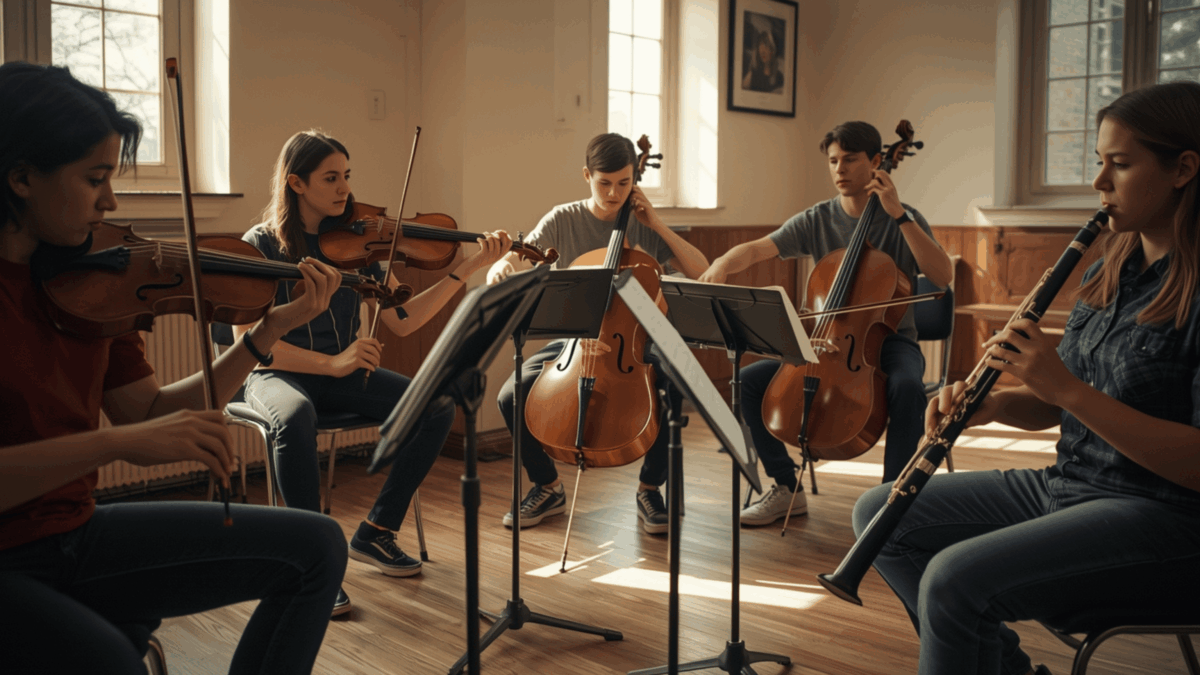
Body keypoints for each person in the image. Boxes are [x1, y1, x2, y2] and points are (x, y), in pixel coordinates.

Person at [0, 62, 348, 674]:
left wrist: (267, 331)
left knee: (315, 545)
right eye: (94, 179)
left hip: (73, 532)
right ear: (22, 177)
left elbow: (154, 415)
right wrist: (116, 441)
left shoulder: (87, 285)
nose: (109, 201)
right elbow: (132, 434)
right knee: (113, 660)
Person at [854, 80, 1200, 675]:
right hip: (1071, 485)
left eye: (1119, 164)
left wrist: (1062, 384)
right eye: (1099, 162)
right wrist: (996, 405)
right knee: (879, 514)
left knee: (953, 581)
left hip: (1165, 519)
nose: (1098, 183)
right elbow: (1075, 408)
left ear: (1183, 169)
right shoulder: (1111, 269)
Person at [238, 130, 511, 616]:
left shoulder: (358, 244)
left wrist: (468, 268)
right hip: (275, 375)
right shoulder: (260, 246)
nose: (344, 188)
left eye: (347, 176)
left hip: (339, 374)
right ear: (295, 183)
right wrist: (332, 362)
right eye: (331, 178)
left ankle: (377, 531)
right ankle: (311, 564)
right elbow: (251, 344)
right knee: (295, 415)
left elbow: (403, 319)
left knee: (435, 406)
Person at [702, 120, 953, 526]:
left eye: (850, 160)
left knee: (907, 387)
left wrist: (900, 215)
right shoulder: (818, 218)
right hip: (823, 341)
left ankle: (892, 502)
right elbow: (759, 249)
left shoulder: (904, 217)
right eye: (833, 161)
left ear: (876, 162)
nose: (839, 169)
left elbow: (942, 275)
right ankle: (786, 487)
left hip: (889, 342)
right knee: (748, 382)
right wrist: (723, 263)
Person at [486, 132, 709, 534]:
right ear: (587, 175)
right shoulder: (563, 218)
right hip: (577, 340)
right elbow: (519, 256)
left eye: (624, 183)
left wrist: (655, 222)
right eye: (604, 183)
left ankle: (649, 489)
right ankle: (547, 486)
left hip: (639, 339)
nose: (614, 193)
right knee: (510, 395)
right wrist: (499, 266)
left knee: (675, 387)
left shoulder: (643, 222)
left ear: (635, 179)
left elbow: (701, 270)